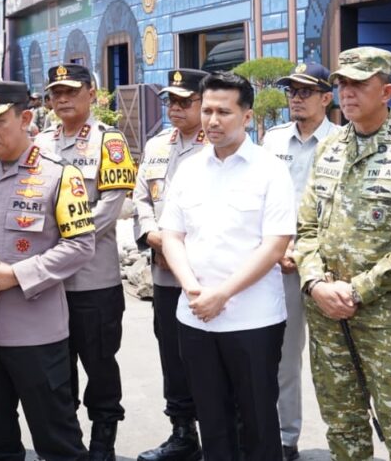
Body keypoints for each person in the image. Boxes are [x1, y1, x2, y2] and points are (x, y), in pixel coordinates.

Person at [294, 47, 391, 461]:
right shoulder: (329, 149)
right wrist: (315, 283)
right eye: (342, 83)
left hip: (390, 324)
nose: (347, 92)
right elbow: (305, 229)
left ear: (387, 92)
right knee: (342, 426)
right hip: (328, 317)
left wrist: (357, 290)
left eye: (359, 84)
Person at [0, 80, 96, 461]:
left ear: (25, 118)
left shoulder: (59, 175)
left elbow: (80, 245)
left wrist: (17, 275)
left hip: (36, 333)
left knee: (58, 442)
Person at [160, 71, 295, 461]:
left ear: (247, 117)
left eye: (224, 112)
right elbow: (172, 235)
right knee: (212, 420)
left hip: (253, 320)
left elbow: (275, 245)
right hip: (195, 318)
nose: (213, 120)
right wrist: (192, 287)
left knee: (258, 422)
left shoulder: (270, 170)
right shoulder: (189, 169)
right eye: (207, 111)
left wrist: (222, 294)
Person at [34, 64, 136, 461]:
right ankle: (68, 443)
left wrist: (60, 239)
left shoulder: (109, 141)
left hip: (93, 280)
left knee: (99, 364)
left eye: (71, 91)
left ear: (91, 93)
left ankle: (103, 441)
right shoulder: (40, 142)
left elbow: (109, 209)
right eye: (55, 93)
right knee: (55, 369)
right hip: (49, 281)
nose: (62, 99)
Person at [261, 61, 338, 461]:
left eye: (305, 91)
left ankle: (346, 442)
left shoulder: (344, 141)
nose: (296, 98)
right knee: (284, 358)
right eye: (291, 90)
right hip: (281, 264)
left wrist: (307, 251)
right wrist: (279, 248)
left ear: (327, 98)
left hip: (330, 268)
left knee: (336, 362)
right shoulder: (272, 140)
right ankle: (285, 438)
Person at [133, 68, 208, 461]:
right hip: (164, 272)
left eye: (184, 101)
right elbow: (141, 198)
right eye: (170, 101)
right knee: (172, 353)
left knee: (210, 354)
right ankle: (182, 432)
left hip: (205, 272)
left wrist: (178, 244)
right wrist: (151, 232)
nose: (175, 108)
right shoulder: (157, 144)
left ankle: (221, 433)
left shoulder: (217, 145)